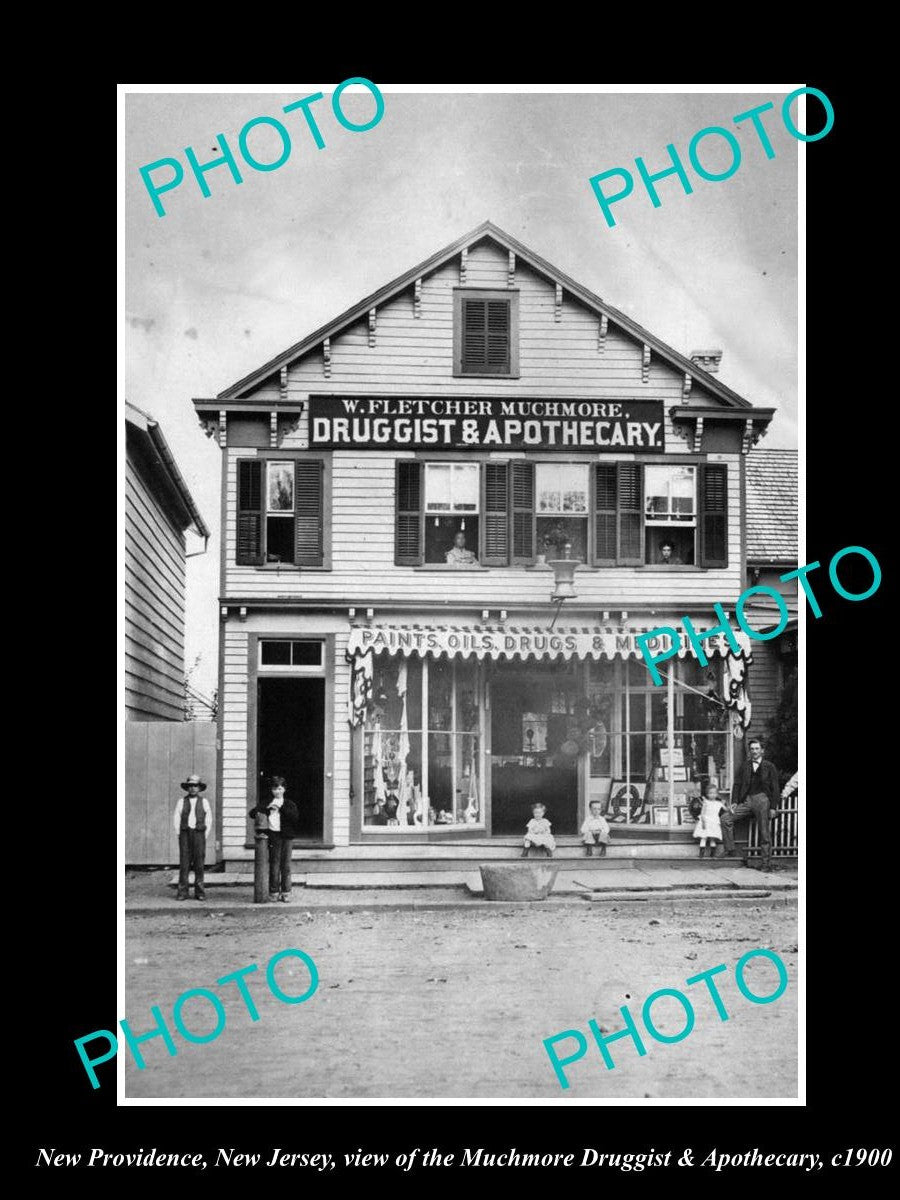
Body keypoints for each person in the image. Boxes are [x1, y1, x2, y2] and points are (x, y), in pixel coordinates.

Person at [720, 737, 780, 870]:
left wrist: (773, 807)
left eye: (757, 748)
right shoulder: (745, 766)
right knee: (725, 819)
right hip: (747, 800)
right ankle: (730, 850)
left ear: (762, 751)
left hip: (763, 799)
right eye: (752, 749)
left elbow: (776, 788)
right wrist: (735, 801)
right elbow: (737, 784)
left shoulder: (769, 766)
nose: (754, 751)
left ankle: (765, 863)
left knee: (764, 832)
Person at [249, 775, 300, 902]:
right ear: (271, 790)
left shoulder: (289, 803)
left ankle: (286, 891)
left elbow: (295, 818)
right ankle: (274, 891)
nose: (277, 791)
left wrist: (280, 808)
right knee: (274, 864)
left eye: (280, 788)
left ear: (284, 790)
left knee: (286, 865)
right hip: (274, 836)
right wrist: (266, 809)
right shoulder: (267, 802)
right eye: (275, 789)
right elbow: (252, 813)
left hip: (286, 837)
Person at [173, 774, 212, 901]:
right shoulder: (181, 802)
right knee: (184, 863)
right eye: (190, 786)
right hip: (185, 834)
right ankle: (183, 891)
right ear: (187, 788)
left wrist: (204, 834)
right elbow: (176, 818)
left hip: (199, 834)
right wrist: (180, 833)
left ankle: (199, 891)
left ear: (199, 788)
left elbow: (209, 819)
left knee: (199, 863)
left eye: (195, 786)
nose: (193, 788)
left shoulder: (204, 802)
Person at [693, 780, 724, 858]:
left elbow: (726, 809)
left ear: (717, 794)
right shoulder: (706, 803)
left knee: (712, 838)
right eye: (710, 793)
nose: (712, 795)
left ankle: (713, 853)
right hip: (706, 821)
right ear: (707, 794)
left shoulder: (719, 803)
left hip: (714, 822)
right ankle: (701, 853)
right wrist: (703, 822)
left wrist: (725, 804)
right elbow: (703, 813)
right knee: (704, 837)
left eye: (714, 793)